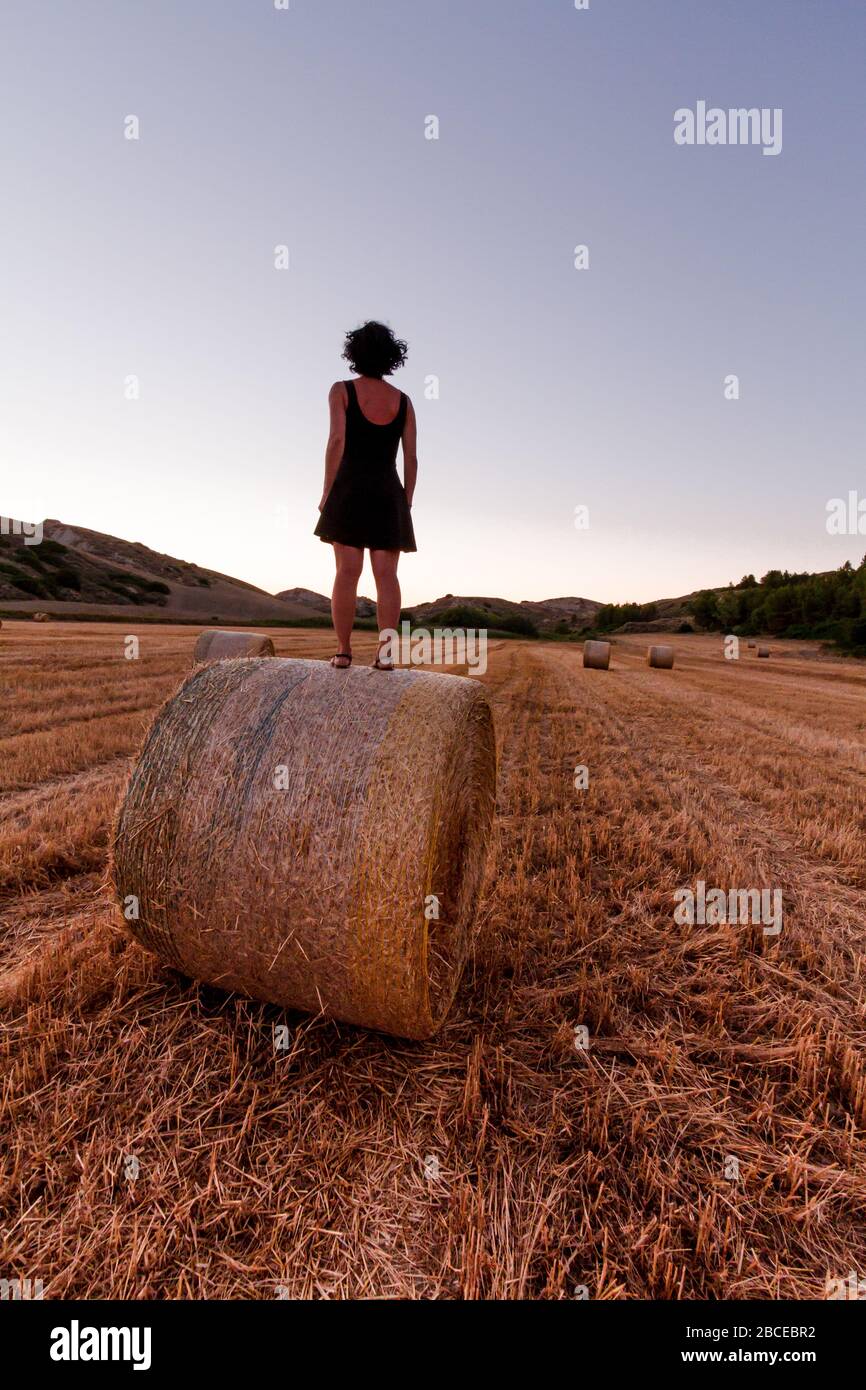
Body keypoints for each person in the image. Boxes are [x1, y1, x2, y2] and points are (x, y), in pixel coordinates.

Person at [315, 321, 417, 670]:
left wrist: (327, 490)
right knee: (386, 576)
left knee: (347, 572)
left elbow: (336, 442)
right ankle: (386, 654)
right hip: (389, 491)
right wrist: (407, 501)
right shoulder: (403, 401)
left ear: (353, 353)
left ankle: (343, 652)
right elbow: (411, 457)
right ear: (391, 357)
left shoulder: (341, 390)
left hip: (350, 488)